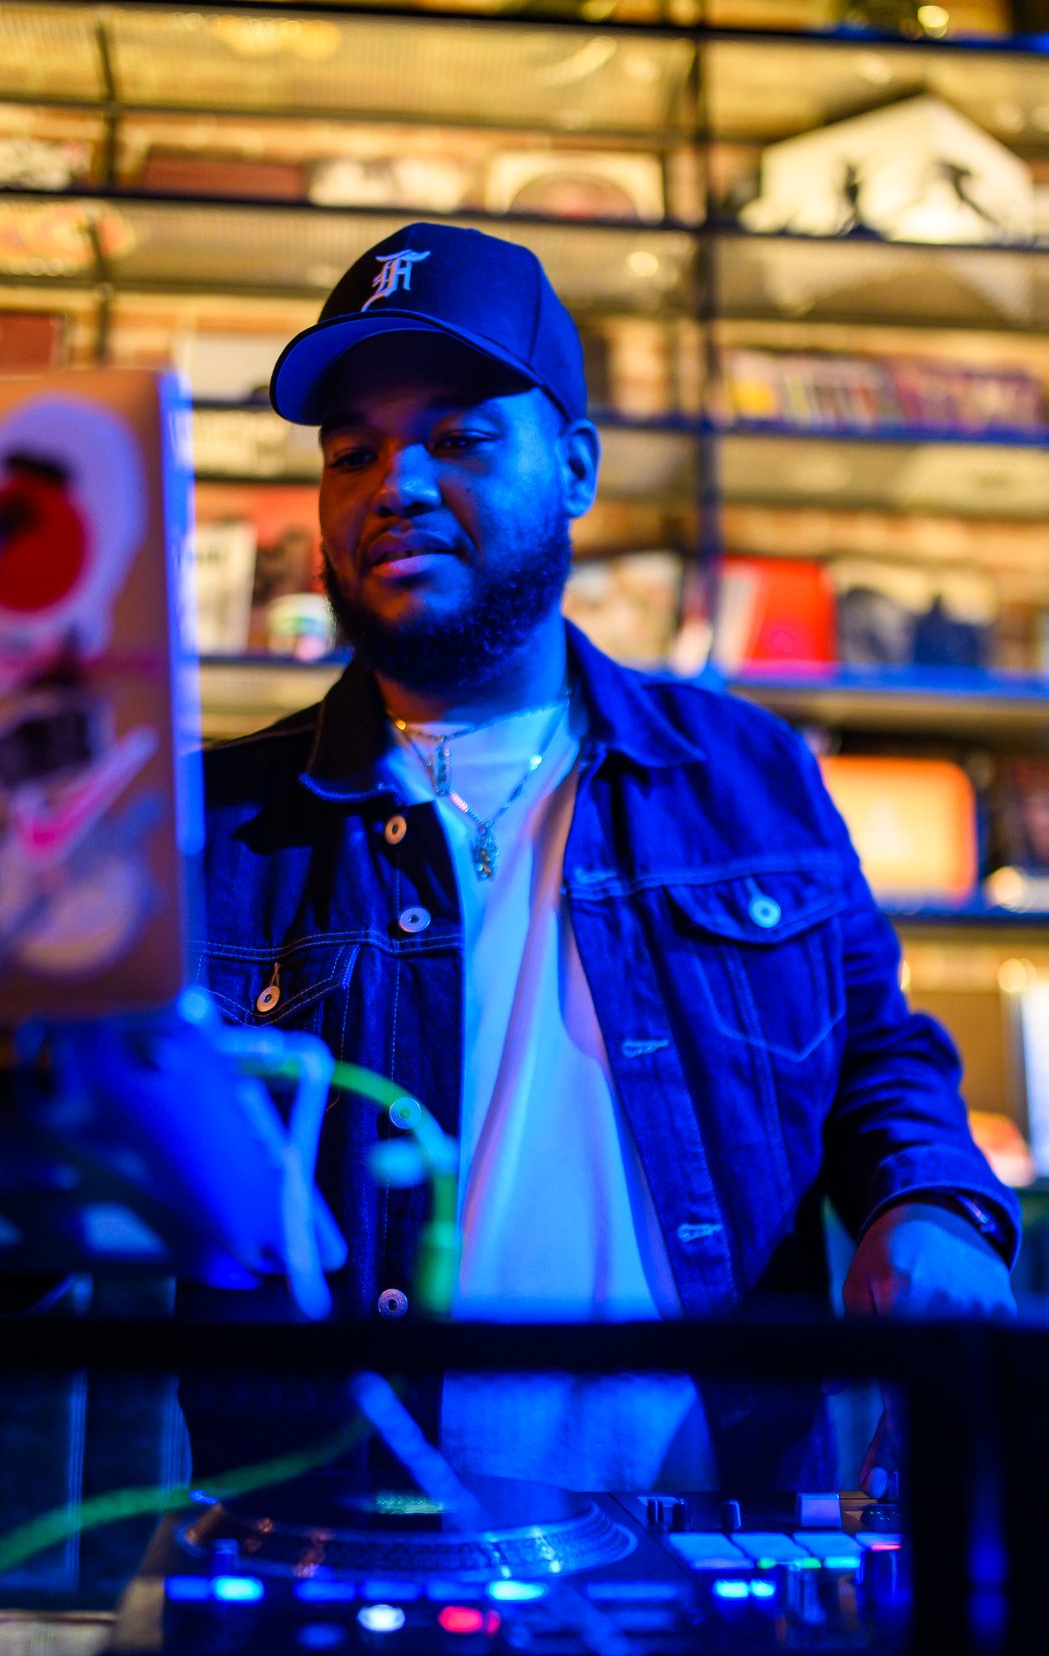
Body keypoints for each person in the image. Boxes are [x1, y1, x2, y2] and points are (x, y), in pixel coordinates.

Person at [194, 221, 1016, 1489]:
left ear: (573, 470)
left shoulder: (745, 772)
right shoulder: (213, 827)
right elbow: (45, 1222)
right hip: (336, 1548)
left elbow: (874, 1051)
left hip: (717, 1549)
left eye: (459, 438)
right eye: (351, 453)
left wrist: (929, 1206)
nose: (394, 485)